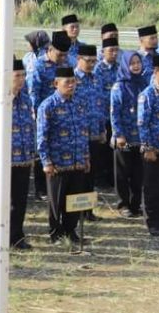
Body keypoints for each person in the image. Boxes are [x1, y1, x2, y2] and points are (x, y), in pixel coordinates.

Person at [0, 59, 35, 249]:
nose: (21, 80)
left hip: (22, 160)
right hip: (3, 161)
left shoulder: (26, 101)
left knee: (19, 201)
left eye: (23, 76)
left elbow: (30, 129)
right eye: (17, 76)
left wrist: (31, 154)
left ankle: (16, 237)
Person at [37, 67, 91, 246]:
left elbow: (83, 132)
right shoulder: (48, 106)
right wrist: (46, 161)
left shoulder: (80, 103)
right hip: (58, 163)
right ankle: (55, 233)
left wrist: (86, 157)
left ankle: (70, 230)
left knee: (73, 201)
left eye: (73, 81)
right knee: (56, 202)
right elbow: (42, 137)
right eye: (66, 82)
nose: (71, 85)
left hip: (76, 161)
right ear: (56, 83)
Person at [27, 30, 71, 200]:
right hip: (43, 113)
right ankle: (41, 188)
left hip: (62, 112)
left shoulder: (66, 63)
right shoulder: (38, 65)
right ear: (51, 49)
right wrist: (36, 114)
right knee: (42, 148)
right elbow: (33, 92)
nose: (62, 58)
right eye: (60, 55)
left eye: (65, 55)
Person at [109, 46, 146, 218]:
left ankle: (135, 204)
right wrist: (118, 134)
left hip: (140, 138)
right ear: (125, 65)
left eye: (138, 62)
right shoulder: (119, 87)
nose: (136, 66)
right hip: (124, 137)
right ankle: (123, 205)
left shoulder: (144, 83)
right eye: (132, 63)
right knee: (123, 173)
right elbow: (114, 112)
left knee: (138, 174)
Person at [75, 43, 109, 217]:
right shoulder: (71, 78)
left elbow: (101, 105)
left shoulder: (97, 78)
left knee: (91, 173)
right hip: (78, 135)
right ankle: (77, 211)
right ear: (79, 59)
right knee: (80, 174)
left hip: (95, 133)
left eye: (94, 61)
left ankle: (88, 210)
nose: (91, 65)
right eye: (88, 61)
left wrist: (103, 129)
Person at [138, 55, 159, 237]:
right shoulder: (147, 95)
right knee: (153, 188)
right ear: (156, 71)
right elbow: (143, 123)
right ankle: (153, 223)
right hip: (154, 151)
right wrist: (148, 147)